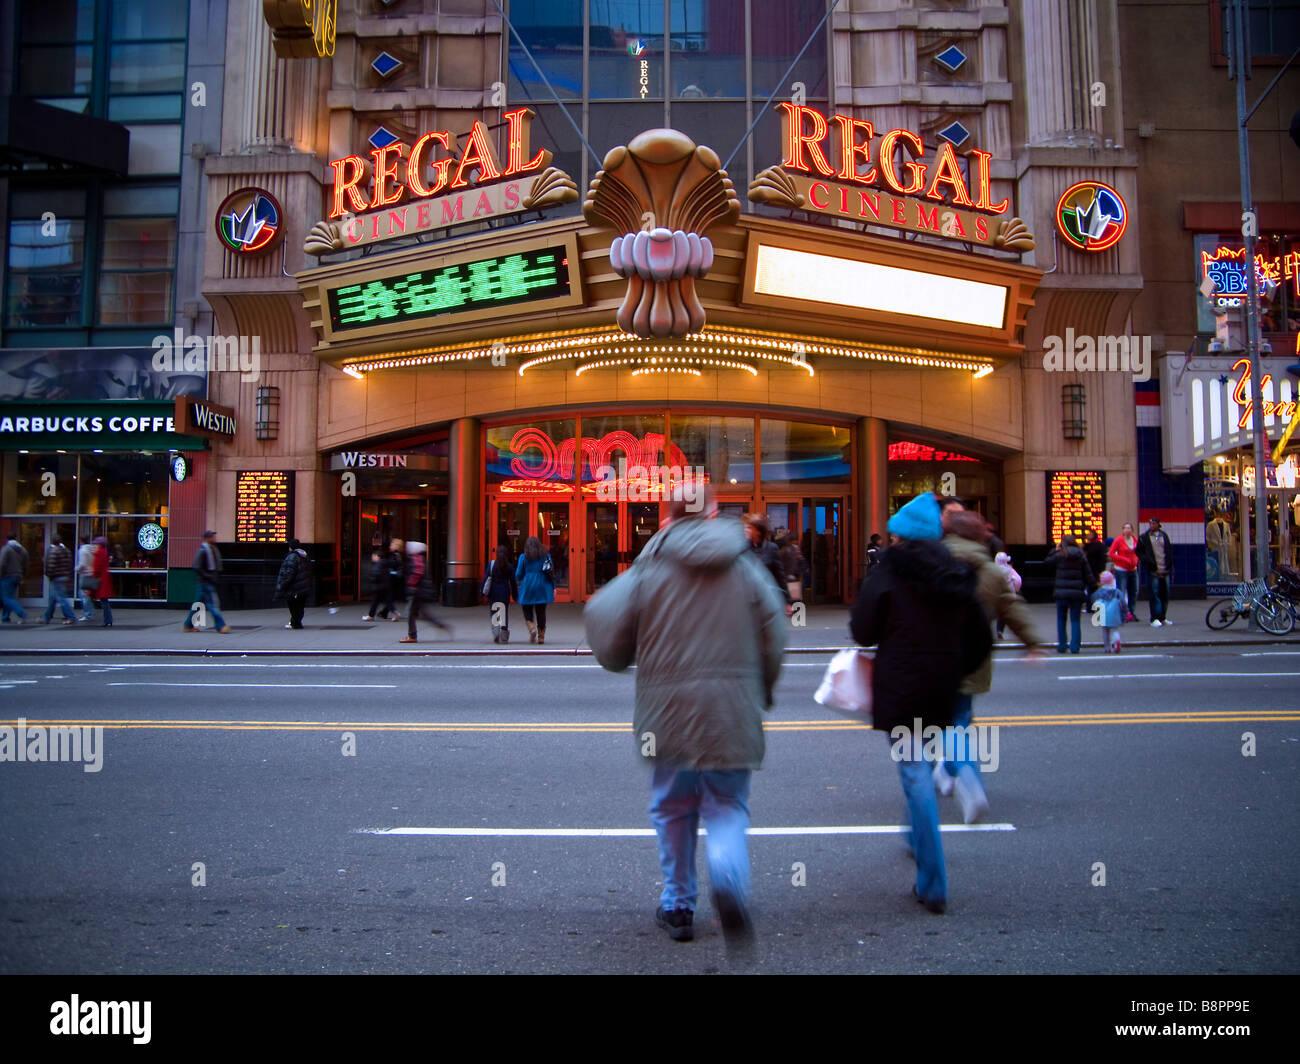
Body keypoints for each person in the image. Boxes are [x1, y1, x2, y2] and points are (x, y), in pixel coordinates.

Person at [584, 486, 786, 945]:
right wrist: (763, 692)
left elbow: (609, 637)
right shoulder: (747, 569)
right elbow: (775, 636)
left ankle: (678, 905)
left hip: (666, 713)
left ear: (670, 517)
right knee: (727, 806)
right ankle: (729, 878)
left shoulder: (649, 567)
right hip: (731, 710)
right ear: (714, 515)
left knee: (672, 808)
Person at [850, 493, 992, 914]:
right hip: (942, 688)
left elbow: (862, 630)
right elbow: (981, 641)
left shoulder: (889, 572)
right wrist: (953, 667)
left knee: (914, 774)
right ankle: (915, 839)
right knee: (922, 769)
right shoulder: (957, 574)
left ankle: (933, 882)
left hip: (901, 689)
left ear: (901, 534)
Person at [936, 511, 1044, 823]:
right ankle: (948, 768)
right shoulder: (993, 573)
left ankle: (965, 779)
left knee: (942, 722)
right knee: (959, 718)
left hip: (934, 657)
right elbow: (1012, 609)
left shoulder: (932, 564)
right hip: (974, 656)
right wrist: (1033, 643)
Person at [1045, 534, 1095, 654]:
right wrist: (1093, 587)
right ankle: (1075, 647)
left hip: (1061, 592)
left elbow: (1046, 563)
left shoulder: (1060, 554)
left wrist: (1054, 550)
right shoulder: (1081, 555)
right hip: (1077, 592)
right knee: (1075, 620)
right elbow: (1088, 574)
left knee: (1061, 619)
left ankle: (1062, 645)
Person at [398, 541, 450, 643]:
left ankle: (412, 636)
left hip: (416, 591)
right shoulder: (419, 559)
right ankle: (440, 625)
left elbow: (417, 573)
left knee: (410, 613)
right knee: (423, 614)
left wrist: (411, 584)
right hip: (420, 591)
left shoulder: (416, 559)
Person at [185, 530, 231, 633]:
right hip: (205, 582)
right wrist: (208, 576)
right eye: (212, 537)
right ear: (207, 538)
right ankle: (221, 626)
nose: (214, 539)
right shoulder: (202, 550)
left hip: (208, 581)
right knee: (212, 604)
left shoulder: (213, 549)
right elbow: (197, 567)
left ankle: (188, 625)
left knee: (197, 605)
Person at [515, 535, 555, 644]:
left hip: (528, 584)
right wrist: (553, 586)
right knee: (541, 611)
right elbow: (550, 571)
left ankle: (531, 628)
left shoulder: (523, 557)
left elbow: (518, 573)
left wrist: (518, 580)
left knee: (526, 608)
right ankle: (541, 636)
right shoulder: (545, 556)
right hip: (542, 585)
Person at [1137, 518, 1174, 627]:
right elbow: (1138, 551)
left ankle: (1163, 617)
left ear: (1158, 525)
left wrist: (1169, 563)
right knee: (1155, 594)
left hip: (1165, 569)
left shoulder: (1164, 536)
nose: (1152, 525)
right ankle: (1154, 618)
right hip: (1154, 570)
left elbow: (1168, 550)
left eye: (1154, 523)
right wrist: (1148, 560)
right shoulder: (1144, 537)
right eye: (1150, 524)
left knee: (1165, 594)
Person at [743, 514, 786, 600]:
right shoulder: (743, 548)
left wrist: (786, 601)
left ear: (758, 531)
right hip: (747, 599)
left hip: (766, 599)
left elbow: (780, 576)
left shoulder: (771, 548)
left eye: (749, 528)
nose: (746, 530)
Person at [482, 543, 518, 643]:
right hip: (504, 592)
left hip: (493, 592)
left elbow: (486, 579)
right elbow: (513, 582)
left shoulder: (491, 565)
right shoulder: (509, 566)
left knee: (494, 612)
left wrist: (482, 592)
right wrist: (515, 595)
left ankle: (496, 632)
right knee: (504, 613)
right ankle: (504, 634)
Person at [275, 539, 313, 630]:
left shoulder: (292, 557)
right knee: (300, 605)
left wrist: (283, 585)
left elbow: (289, 573)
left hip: (294, 586)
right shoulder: (304, 556)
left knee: (293, 605)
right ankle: (296, 623)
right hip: (303, 585)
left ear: (290, 547)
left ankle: (295, 623)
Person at [41, 535, 77, 625]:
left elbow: (51, 565)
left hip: (56, 576)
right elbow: (69, 563)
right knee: (53, 598)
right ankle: (46, 617)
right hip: (64, 575)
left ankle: (71, 617)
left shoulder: (54, 551)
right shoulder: (66, 550)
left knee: (61, 598)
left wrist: (49, 574)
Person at [1107, 523, 1140, 622]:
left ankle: (1131, 612)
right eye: (1125, 528)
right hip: (1121, 569)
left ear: (1132, 530)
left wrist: (1136, 560)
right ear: (1122, 530)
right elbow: (1111, 553)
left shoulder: (1135, 540)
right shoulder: (1119, 540)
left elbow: (1139, 551)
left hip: (1133, 569)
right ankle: (1122, 613)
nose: (1127, 530)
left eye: (1129, 528)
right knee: (1121, 591)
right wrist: (1123, 559)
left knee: (1133, 591)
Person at [1090, 570, 1128, 653]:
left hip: (1103, 613)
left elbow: (1094, 600)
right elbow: (1123, 602)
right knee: (1115, 629)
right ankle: (1117, 640)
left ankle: (1107, 647)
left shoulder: (1099, 592)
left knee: (1105, 631)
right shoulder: (1117, 592)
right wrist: (1126, 612)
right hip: (1115, 614)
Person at [361, 540, 398, 622]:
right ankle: (393, 612)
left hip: (378, 586)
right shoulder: (385, 563)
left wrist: (371, 579)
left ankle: (371, 615)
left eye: (373, 556)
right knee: (386, 601)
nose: (372, 558)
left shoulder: (378, 564)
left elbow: (376, 574)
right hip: (385, 585)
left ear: (377, 556)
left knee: (375, 601)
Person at [0, 532, 29, 624]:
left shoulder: (6, 549)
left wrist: (1, 574)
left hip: (7, 576)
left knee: (6, 598)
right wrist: (22, 576)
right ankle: (5, 617)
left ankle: (21, 612)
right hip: (18, 576)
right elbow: (25, 565)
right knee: (10, 597)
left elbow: (2, 564)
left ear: (7, 539)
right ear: (16, 538)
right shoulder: (23, 550)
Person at [993, 551, 1022, 639]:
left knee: (1000, 614)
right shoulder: (1010, 570)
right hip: (1009, 595)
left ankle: (999, 630)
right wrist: (1016, 589)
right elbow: (1018, 580)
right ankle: (1018, 630)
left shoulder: (993, 570)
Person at [777, 529, 805, 614]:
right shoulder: (794, 549)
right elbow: (800, 560)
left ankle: (789, 607)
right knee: (794, 591)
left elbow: (780, 562)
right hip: (793, 573)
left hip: (787, 573)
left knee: (788, 591)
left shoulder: (784, 550)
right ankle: (795, 607)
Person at [89, 536, 114, 628]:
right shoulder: (104, 552)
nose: (95, 545)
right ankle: (108, 619)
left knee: (103, 601)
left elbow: (96, 567)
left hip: (100, 579)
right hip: (104, 578)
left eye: (96, 543)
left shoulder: (99, 552)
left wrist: (93, 576)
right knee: (104, 601)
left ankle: (106, 620)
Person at [76, 537, 97, 621]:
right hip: (92, 574)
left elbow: (82, 564)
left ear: (81, 541)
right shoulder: (93, 550)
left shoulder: (82, 550)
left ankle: (88, 614)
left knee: (83, 595)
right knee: (88, 595)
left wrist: (76, 569)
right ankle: (90, 612)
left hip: (85, 575)